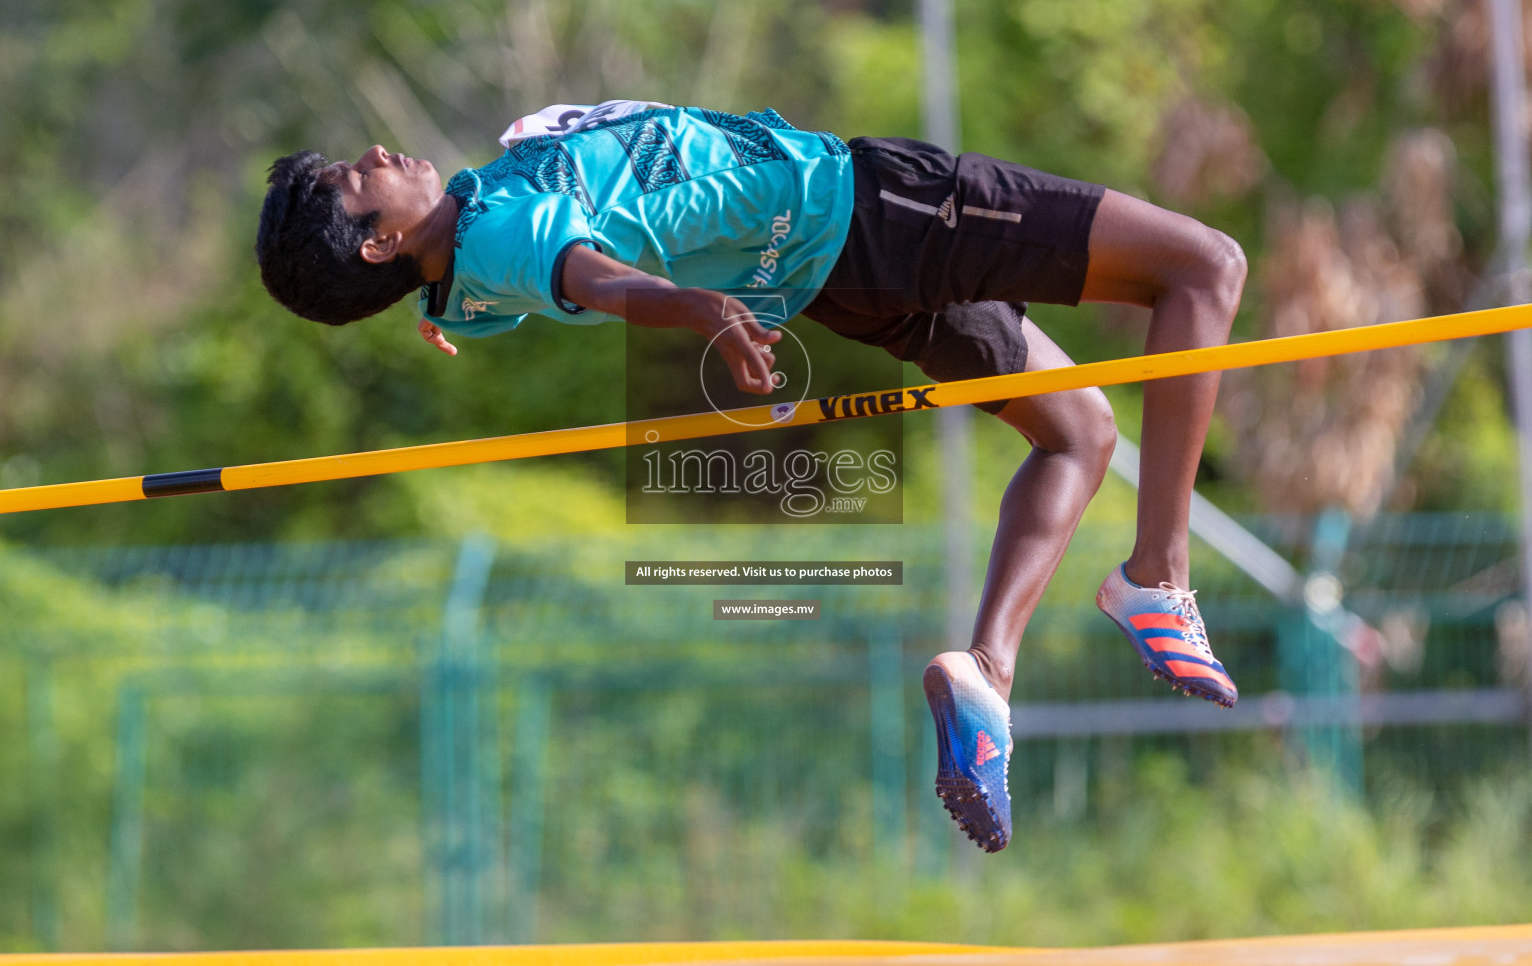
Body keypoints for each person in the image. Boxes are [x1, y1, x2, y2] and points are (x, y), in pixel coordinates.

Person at [255, 101, 1245, 853]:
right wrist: (699, 312)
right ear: (380, 241)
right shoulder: (502, 232)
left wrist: (444, 301)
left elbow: (496, 285)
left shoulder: (464, 267)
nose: (378, 155)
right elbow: (600, 280)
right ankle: (1158, 575)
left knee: (1076, 430)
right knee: (1201, 267)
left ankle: (985, 674)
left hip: (833, 280)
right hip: (869, 210)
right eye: (359, 181)